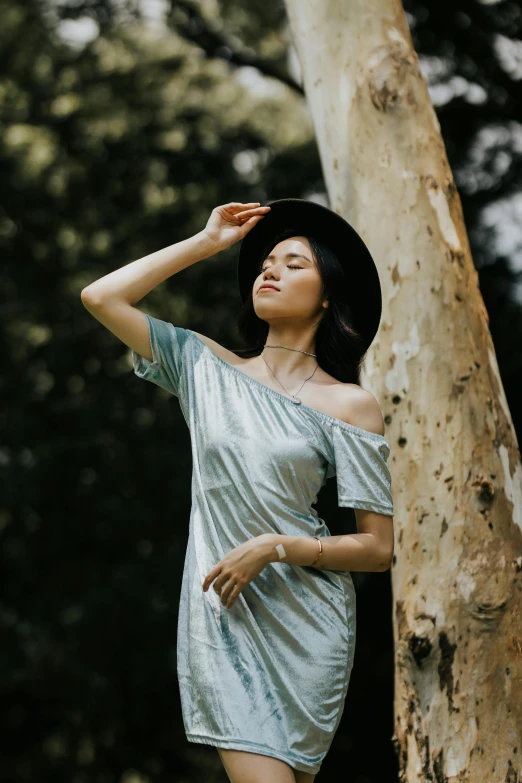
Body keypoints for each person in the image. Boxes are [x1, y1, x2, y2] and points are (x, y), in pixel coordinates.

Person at [81, 198, 394, 783]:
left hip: (309, 623)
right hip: (225, 617)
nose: (269, 270)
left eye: (294, 264)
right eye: (266, 262)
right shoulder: (202, 368)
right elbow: (101, 297)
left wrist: (275, 546)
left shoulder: (351, 405)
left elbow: (377, 550)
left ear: (328, 295)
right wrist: (206, 242)